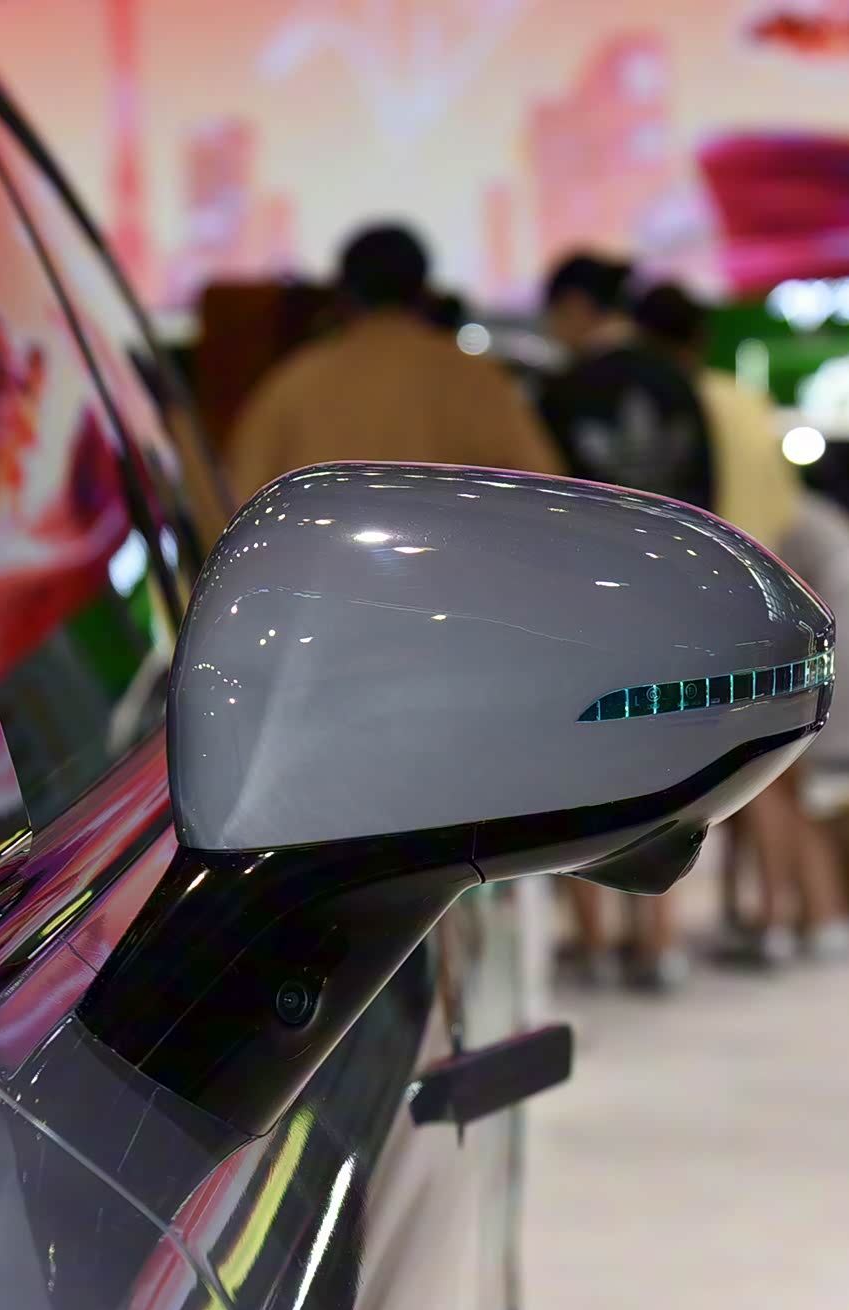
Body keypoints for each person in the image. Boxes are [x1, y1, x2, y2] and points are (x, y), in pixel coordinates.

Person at [636, 281, 849, 964]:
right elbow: (783, 512)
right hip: (773, 596)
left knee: (739, 781)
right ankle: (796, 918)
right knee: (778, 777)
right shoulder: (744, 401)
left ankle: (756, 925)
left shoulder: (675, 409)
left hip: (713, 606)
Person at [533, 258, 716, 993]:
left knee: (577, 770)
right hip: (675, 606)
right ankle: (659, 941)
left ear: (577, 308)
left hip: (586, 613)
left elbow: (541, 507)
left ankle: (594, 939)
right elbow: (709, 505)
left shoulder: (564, 389)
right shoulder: (679, 382)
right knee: (667, 771)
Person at [226, 224, 561, 506]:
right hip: (451, 564)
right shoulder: (477, 380)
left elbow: (239, 507)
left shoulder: (293, 383)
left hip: (317, 565)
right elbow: (545, 494)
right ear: (425, 293)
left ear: (342, 295)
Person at [535, 255, 714, 511]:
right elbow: (704, 478)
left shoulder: (564, 389)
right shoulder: (676, 377)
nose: (551, 330)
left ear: (575, 305)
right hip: (678, 531)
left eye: (552, 315)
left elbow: (549, 490)